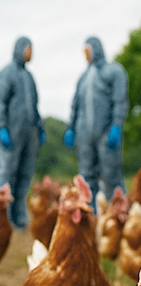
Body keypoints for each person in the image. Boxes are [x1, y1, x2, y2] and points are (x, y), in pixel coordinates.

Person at [64, 36, 129, 209]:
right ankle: (90, 218)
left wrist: (117, 125)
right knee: (86, 177)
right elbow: (75, 105)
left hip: (107, 132)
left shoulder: (114, 71)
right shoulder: (83, 78)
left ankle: (117, 215)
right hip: (85, 136)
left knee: (111, 176)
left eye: (87, 51)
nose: (86, 55)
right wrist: (71, 127)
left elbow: (119, 101)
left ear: (95, 49)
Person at [0, 36, 46, 229]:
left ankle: (19, 215)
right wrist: (1, 128)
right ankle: (0, 216)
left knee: (25, 173)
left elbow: (34, 105)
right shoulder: (6, 74)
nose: (30, 53)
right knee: (7, 171)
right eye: (28, 49)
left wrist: (40, 127)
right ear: (20, 49)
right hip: (11, 131)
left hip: (30, 133)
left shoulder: (29, 77)